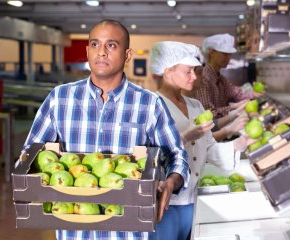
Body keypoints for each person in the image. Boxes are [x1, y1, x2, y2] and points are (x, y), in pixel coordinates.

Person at [21, 19, 190, 240]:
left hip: (128, 233)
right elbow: (30, 152)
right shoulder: (59, 98)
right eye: (94, 44)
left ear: (127, 55)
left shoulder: (149, 104)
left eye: (111, 45)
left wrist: (171, 182)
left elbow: (177, 155)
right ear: (87, 51)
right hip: (74, 232)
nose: (101, 52)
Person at [148, 41, 251, 240]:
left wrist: (239, 144)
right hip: (165, 201)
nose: (194, 77)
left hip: (193, 199)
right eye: (188, 71)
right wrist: (186, 136)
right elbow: (148, 155)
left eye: (195, 71)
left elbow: (209, 147)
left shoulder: (195, 105)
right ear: (168, 71)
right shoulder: (151, 106)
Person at [194, 33, 262, 119]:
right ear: (211, 52)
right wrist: (235, 107)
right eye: (224, 54)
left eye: (229, 54)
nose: (228, 58)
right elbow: (209, 113)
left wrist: (253, 94)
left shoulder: (221, 79)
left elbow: (236, 92)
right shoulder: (203, 79)